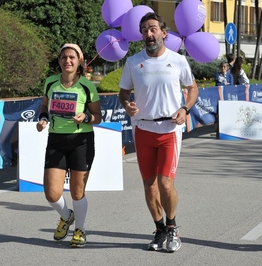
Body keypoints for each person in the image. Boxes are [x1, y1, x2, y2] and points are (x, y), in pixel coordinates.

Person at [118, 12, 198, 253]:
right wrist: (126, 104)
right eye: (144, 30)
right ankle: (160, 229)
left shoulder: (178, 60)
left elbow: (192, 89)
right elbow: (123, 92)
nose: (148, 34)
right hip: (142, 128)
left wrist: (185, 109)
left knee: (165, 183)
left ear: (164, 33)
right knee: (149, 186)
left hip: (169, 130)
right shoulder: (133, 62)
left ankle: (172, 227)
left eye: (153, 29)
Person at [36, 43, 102, 248]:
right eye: (64, 57)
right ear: (59, 61)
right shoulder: (50, 82)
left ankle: (80, 229)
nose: (68, 61)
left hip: (81, 141)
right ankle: (66, 216)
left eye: (72, 57)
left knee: (77, 191)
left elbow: (98, 117)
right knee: (52, 193)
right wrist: (43, 119)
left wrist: (86, 117)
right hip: (56, 140)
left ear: (79, 61)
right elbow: (44, 107)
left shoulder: (87, 86)